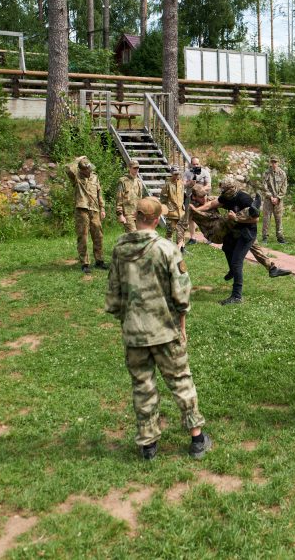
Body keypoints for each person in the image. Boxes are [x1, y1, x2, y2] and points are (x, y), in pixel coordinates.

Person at [105, 196, 211, 460]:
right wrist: (182, 325)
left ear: (136, 217)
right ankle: (197, 438)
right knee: (180, 381)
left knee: (143, 385)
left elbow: (114, 294)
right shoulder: (166, 249)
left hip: (134, 332)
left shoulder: (120, 248)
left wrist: (125, 320)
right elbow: (182, 295)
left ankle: (148, 444)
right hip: (165, 330)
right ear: (156, 219)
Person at [188, 189, 291, 278]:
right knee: (229, 218)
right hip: (215, 232)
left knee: (250, 243)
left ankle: (271, 268)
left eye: (205, 196)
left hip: (227, 228)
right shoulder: (189, 207)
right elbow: (182, 222)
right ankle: (252, 210)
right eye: (201, 197)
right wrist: (180, 243)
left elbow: (215, 202)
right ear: (194, 197)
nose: (204, 199)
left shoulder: (209, 199)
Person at [194, 178, 259, 305]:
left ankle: (237, 296)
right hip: (235, 231)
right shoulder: (226, 196)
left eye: (223, 190)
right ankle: (232, 271)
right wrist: (197, 210)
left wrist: (236, 219)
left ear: (231, 189)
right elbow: (212, 204)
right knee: (227, 247)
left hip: (247, 233)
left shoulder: (244, 199)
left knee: (236, 262)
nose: (222, 193)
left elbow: (255, 219)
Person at [66, 156, 107, 273]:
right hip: (82, 209)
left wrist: (102, 208)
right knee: (83, 236)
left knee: (98, 235)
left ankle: (99, 260)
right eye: (87, 169)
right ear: (82, 170)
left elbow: (99, 194)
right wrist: (78, 160)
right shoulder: (76, 177)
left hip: (95, 209)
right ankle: (85, 263)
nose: (90, 171)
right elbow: (68, 168)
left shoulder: (95, 177)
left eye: (90, 169)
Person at [184, 156, 212, 245]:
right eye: (194, 164)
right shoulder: (187, 173)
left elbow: (209, 185)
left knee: (205, 217)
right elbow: (183, 184)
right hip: (190, 197)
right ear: (191, 164)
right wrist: (190, 182)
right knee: (191, 218)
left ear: (199, 164)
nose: (195, 166)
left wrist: (200, 190)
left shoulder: (205, 172)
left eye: (197, 164)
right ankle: (193, 238)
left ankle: (209, 237)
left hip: (202, 198)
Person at [260, 156, 289, 244]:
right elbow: (263, 187)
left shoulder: (282, 173)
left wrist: (278, 197)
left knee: (279, 219)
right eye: (272, 162)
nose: (274, 164)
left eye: (275, 162)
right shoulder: (266, 173)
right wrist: (271, 197)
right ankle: (265, 237)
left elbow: (284, 187)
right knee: (266, 219)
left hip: (278, 201)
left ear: (278, 162)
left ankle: (280, 237)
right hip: (268, 200)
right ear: (270, 162)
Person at [160, 165, 187, 249]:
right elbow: (163, 199)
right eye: (175, 174)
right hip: (171, 212)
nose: (177, 176)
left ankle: (181, 247)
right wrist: (165, 210)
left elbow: (184, 196)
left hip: (181, 212)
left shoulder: (181, 183)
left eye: (178, 174)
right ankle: (168, 248)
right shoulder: (167, 185)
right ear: (171, 173)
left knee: (181, 231)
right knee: (170, 231)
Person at [116, 160, 145, 233]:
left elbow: (140, 198)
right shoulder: (123, 181)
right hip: (128, 213)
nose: (136, 170)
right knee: (133, 235)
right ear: (129, 168)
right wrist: (120, 214)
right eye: (134, 168)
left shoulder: (139, 181)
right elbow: (119, 198)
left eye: (137, 168)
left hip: (138, 213)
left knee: (139, 236)